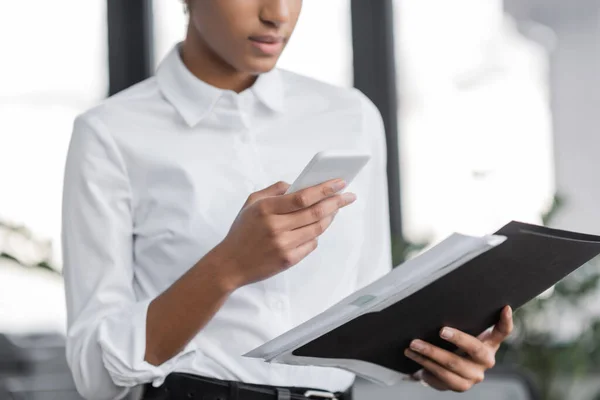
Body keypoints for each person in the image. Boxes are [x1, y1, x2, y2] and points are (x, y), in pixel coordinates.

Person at [62, 1, 513, 399]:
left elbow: (370, 308)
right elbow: (95, 376)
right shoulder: (110, 134)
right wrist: (228, 266)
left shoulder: (350, 116)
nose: (277, 13)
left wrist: (430, 362)